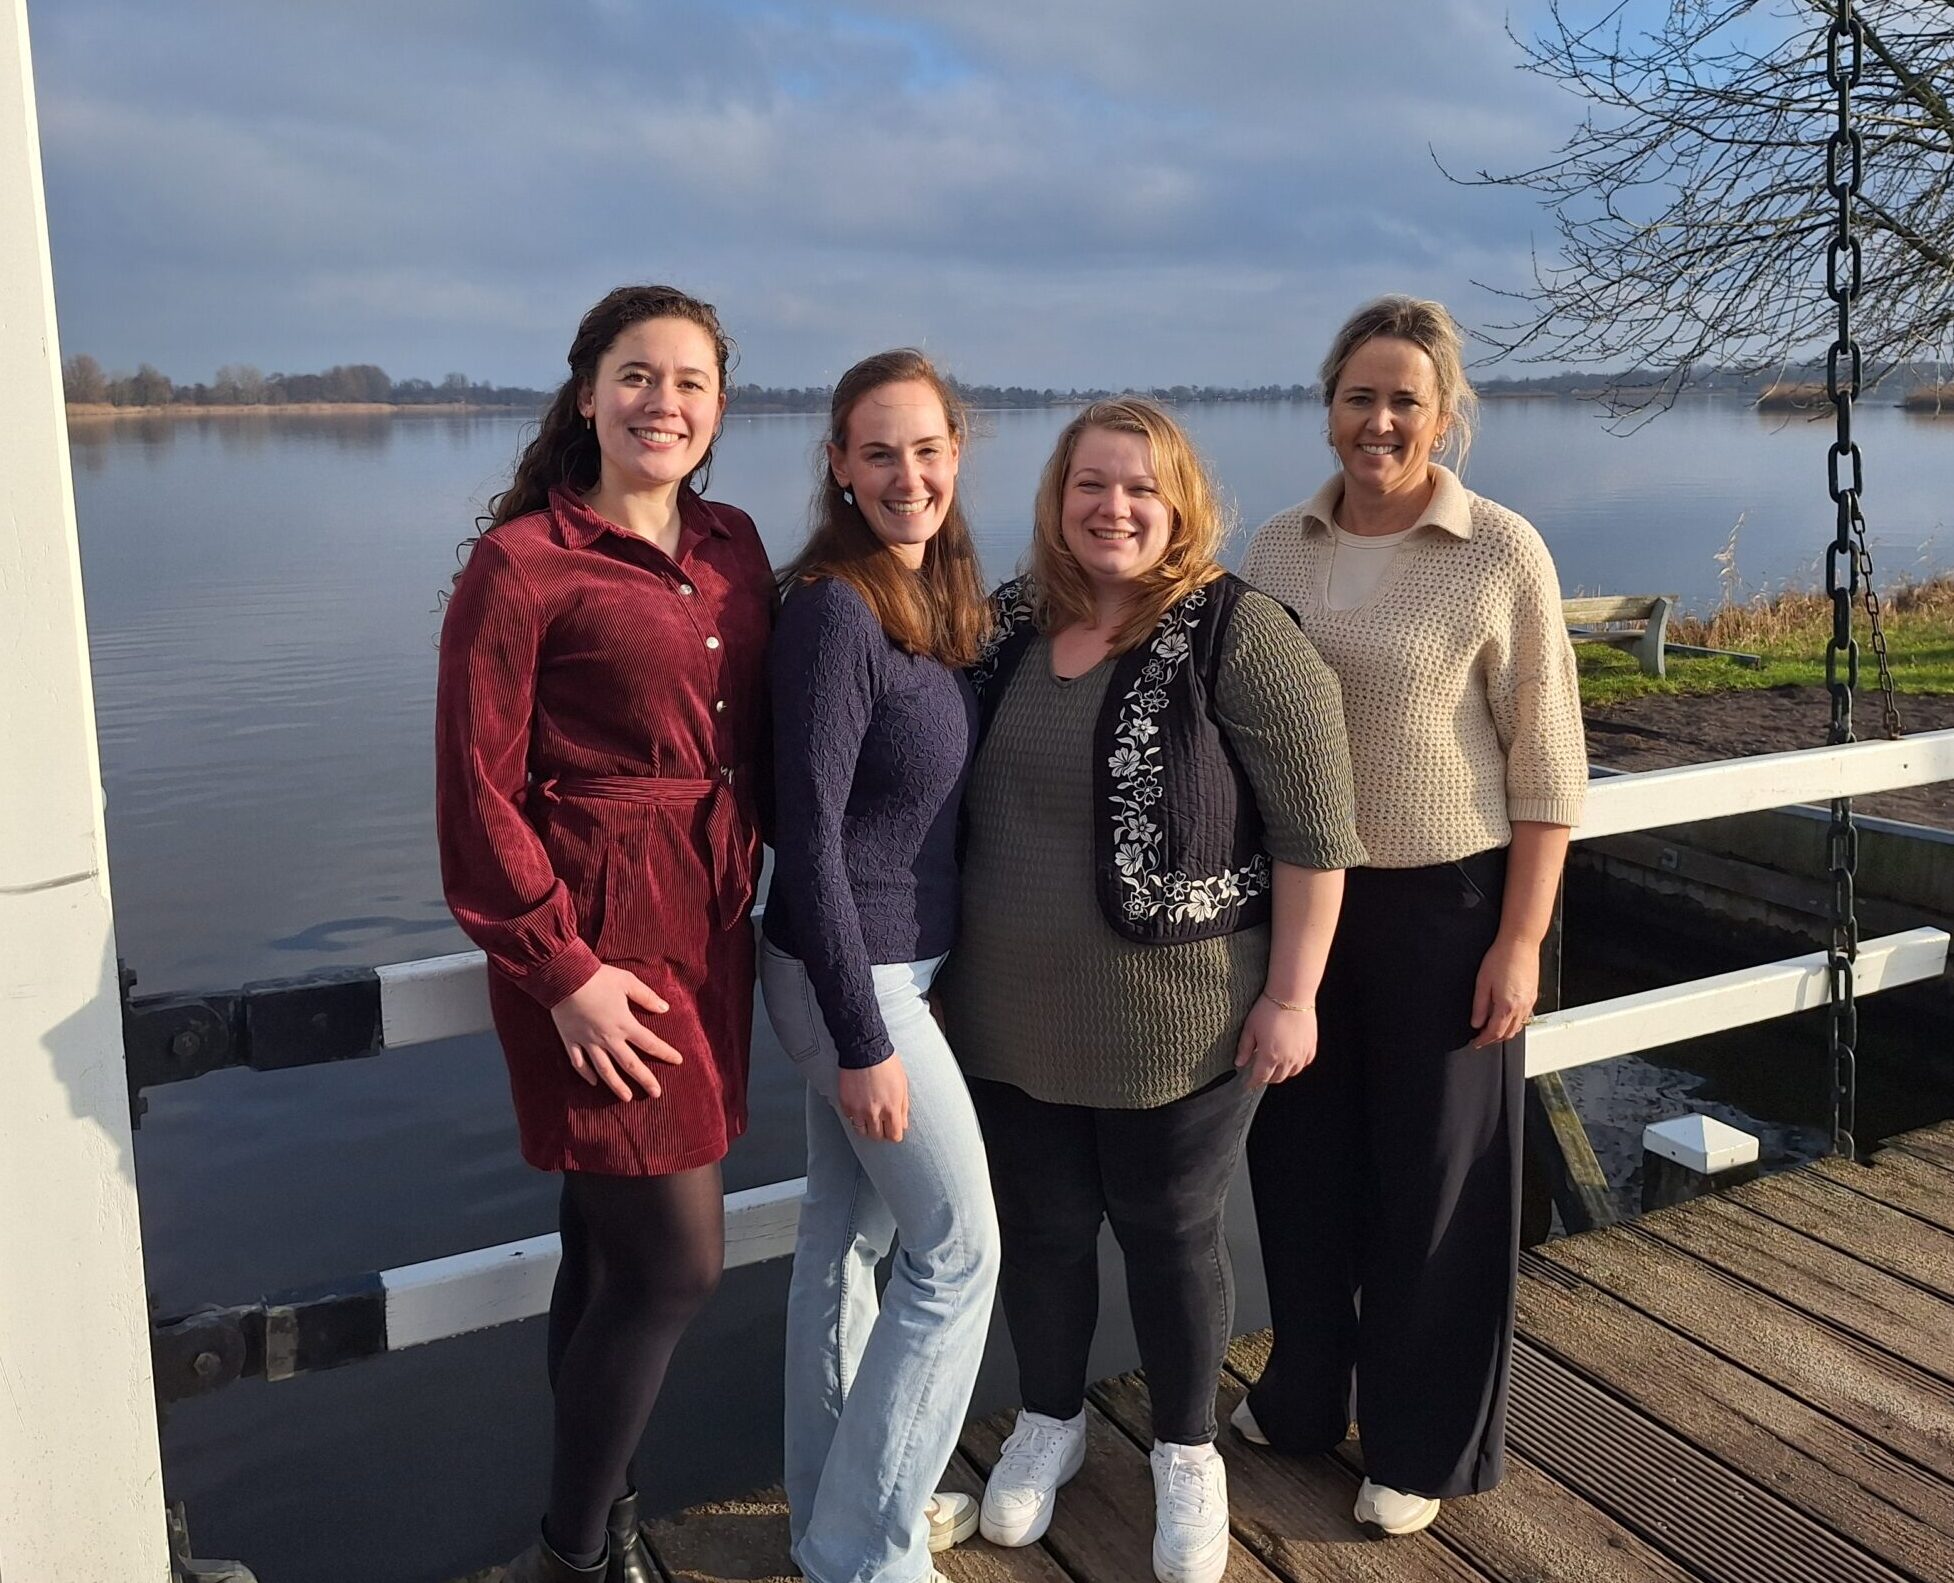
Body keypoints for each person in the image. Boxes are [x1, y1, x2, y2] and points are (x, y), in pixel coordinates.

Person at [940, 399, 1364, 1583]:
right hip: (1005, 1008)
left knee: (1171, 1231)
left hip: (1183, 1016)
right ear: (1056, 497)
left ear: (1180, 501)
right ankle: (1049, 1419)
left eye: (1139, 486)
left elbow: (1318, 833)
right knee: (1041, 1227)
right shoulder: (1007, 625)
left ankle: (1184, 1449)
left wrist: (1293, 994)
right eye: (1089, 483)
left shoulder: (1238, 630)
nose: (1112, 507)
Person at [436, 284, 774, 1583]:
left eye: (690, 382)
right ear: (587, 393)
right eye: (637, 375)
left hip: (710, 927)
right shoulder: (523, 564)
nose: (661, 403)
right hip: (594, 952)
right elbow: (475, 795)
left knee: (605, 1251)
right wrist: (561, 969)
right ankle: (574, 1554)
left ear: (719, 408)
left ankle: (600, 1514)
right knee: (677, 1263)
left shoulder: (735, 543)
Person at [1235, 295, 1587, 1538]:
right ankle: (1300, 1396)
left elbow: (1548, 766)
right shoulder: (1276, 547)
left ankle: (1419, 1438)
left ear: (1445, 416)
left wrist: (1519, 941)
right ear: (1327, 406)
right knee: (1300, 1168)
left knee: (1434, 1185)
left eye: (1404, 400)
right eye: (1358, 396)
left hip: (1446, 907)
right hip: (1299, 906)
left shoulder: (1499, 550)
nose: (1378, 421)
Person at [759, 350, 1001, 1583]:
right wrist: (863, 1038)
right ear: (839, 468)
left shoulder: (931, 596)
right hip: (848, 976)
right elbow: (806, 838)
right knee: (956, 1252)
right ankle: (866, 1553)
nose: (907, 476)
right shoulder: (833, 611)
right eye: (878, 453)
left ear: (956, 452)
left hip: (888, 967)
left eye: (926, 450)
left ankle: (830, 1514)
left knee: (843, 1238)